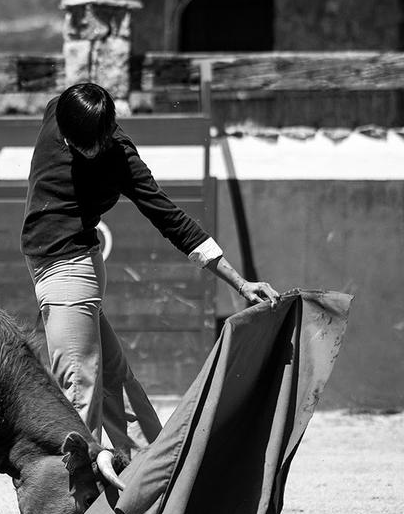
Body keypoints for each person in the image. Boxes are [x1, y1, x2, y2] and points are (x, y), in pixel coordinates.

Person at [22, 82, 279, 455]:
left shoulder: (120, 159)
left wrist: (239, 283)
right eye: (72, 141)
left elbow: (171, 219)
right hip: (55, 266)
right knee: (113, 380)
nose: (80, 150)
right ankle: (153, 473)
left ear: (108, 130)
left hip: (69, 268)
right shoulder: (57, 112)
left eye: (89, 144)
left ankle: (71, 504)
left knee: (78, 389)